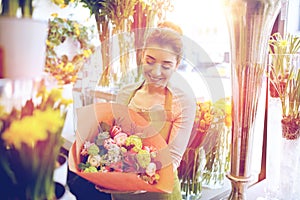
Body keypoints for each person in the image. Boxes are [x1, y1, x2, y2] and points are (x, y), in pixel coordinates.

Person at [111, 23, 197, 200]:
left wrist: (137, 184)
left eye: (166, 65)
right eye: (150, 61)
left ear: (177, 64)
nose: (156, 72)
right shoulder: (125, 94)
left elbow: (172, 159)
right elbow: (115, 142)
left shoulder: (183, 102)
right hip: (121, 190)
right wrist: (107, 174)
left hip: (159, 191)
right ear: (142, 55)